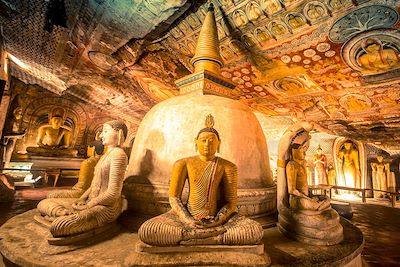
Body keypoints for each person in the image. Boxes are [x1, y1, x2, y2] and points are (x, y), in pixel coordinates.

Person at [138, 115, 263, 246]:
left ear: (219, 143)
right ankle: (214, 237)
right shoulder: (183, 163)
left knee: (253, 231)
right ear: (196, 141)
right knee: (148, 230)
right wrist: (187, 220)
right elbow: (174, 198)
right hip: (186, 217)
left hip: (216, 218)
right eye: (203, 140)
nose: (207, 144)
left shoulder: (228, 166)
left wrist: (218, 220)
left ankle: (190, 237)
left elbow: (230, 203)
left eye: (211, 140)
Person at [35, 120, 128, 238]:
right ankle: (64, 213)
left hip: (106, 207)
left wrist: (89, 206)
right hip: (91, 201)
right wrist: (82, 198)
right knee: (44, 203)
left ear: (119, 133)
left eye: (105, 131)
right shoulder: (106, 155)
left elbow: (113, 194)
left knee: (59, 226)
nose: (101, 135)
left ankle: (62, 217)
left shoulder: (119, 155)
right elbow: (95, 185)